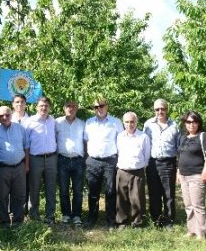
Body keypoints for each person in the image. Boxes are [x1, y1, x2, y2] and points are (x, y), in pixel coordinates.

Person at [84, 97, 123, 228]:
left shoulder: (116, 122)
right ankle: (91, 218)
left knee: (111, 192)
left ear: (107, 106)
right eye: (96, 107)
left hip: (110, 161)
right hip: (93, 161)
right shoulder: (89, 123)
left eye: (101, 105)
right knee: (93, 192)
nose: (99, 109)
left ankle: (111, 221)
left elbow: (122, 142)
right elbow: (85, 141)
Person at [0, 106, 29, 228]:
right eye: (1, 116)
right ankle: (4, 223)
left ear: (11, 115)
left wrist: (26, 165)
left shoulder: (20, 128)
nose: (4, 117)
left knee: (20, 195)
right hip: (1, 168)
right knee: (2, 196)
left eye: (7, 115)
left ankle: (18, 222)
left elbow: (26, 147)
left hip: (19, 167)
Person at [177, 111, 206, 240]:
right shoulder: (183, 137)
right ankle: (191, 230)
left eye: (195, 122)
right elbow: (180, 155)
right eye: (189, 122)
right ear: (185, 123)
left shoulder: (203, 136)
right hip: (184, 176)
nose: (192, 124)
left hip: (197, 175)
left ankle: (202, 232)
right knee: (188, 205)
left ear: (199, 123)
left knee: (198, 205)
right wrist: (178, 172)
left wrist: (204, 172)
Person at [144, 99, 180, 228]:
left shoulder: (174, 125)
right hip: (152, 163)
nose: (160, 111)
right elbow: (145, 144)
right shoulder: (148, 124)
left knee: (168, 194)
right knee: (154, 193)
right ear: (154, 110)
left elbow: (178, 147)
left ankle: (168, 220)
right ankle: (156, 219)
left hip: (168, 163)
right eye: (157, 109)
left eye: (163, 109)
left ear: (167, 109)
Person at [115, 112, 151, 228]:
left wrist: (139, 166)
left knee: (137, 198)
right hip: (122, 171)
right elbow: (118, 152)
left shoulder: (143, 137)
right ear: (123, 123)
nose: (129, 124)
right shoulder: (119, 136)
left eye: (132, 122)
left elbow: (147, 155)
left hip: (137, 171)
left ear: (136, 122)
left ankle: (138, 222)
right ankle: (122, 222)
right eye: (127, 122)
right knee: (121, 197)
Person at [25, 96, 57, 224]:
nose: (44, 108)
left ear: (49, 107)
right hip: (35, 159)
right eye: (41, 106)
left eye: (46, 106)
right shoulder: (30, 122)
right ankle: (34, 215)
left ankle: (50, 216)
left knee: (51, 187)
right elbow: (25, 143)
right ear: (36, 107)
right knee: (34, 188)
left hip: (51, 158)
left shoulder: (53, 121)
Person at [55, 100, 85, 225]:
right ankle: (66, 214)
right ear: (64, 108)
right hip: (63, 159)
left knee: (78, 190)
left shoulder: (82, 123)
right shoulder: (57, 123)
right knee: (63, 190)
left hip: (78, 160)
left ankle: (77, 215)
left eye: (73, 106)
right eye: (68, 106)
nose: (71, 108)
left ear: (77, 108)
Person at [12, 94, 30, 214]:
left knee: (25, 185)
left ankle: (24, 211)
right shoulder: (7, 118)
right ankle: (12, 211)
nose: (19, 104)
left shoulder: (31, 120)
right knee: (11, 186)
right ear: (13, 104)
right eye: (17, 102)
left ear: (25, 104)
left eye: (22, 102)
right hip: (12, 158)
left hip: (27, 157)